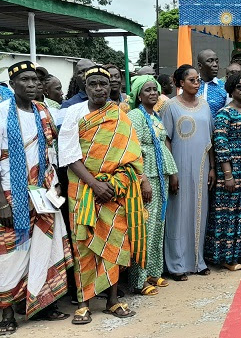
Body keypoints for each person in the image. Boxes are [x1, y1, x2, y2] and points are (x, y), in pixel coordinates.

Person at [58, 65, 148, 324]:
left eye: (103, 84)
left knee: (114, 242)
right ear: (84, 87)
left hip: (115, 190)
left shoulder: (120, 115)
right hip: (83, 188)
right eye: (93, 84)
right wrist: (95, 184)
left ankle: (113, 300)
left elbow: (132, 155)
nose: (99, 89)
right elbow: (68, 155)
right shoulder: (73, 113)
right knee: (83, 244)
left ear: (111, 87)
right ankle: (83, 303)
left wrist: (114, 184)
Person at [0, 61, 72, 334]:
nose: (32, 84)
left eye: (36, 80)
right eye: (25, 80)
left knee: (45, 246)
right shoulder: (2, 113)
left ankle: (43, 304)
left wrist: (55, 185)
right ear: (12, 85)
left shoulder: (43, 111)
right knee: (10, 256)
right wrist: (2, 204)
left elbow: (51, 151)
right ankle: (7, 313)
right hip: (11, 195)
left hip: (44, 192)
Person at [161, 65, 215, 281]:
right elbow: (166, 140)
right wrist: (171, 172)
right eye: (192, 80)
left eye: (198, 79)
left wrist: (213, 168)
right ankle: (176, 265)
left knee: (199, 212)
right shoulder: (170, 106)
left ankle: (197, 261)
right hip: (179, 166)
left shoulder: (205, 106)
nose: (196, 83)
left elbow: (210, 140)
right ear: (180, 83)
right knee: (178, 214)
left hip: (202, 166)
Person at [126, 75, 178, 296]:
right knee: (143, 228)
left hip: (160, 176)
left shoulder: (155, 116)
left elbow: (163, 145)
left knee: (157, 226)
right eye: (147, 90)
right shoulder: (135, 116)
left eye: (155, 89)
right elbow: (133, 149)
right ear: (139, 95)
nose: (153, 93)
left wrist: (172, 173)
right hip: (146, 177)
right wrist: (143, 179)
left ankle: (153, 273)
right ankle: (138, 280)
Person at [205, 74, 241, 271]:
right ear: (231, 89)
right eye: (239, 86)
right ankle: (227, 258)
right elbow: (220, 145)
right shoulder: (224, 114)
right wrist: (228, 175)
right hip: (232, 169)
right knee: (229, 212)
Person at [196, 49, 227, 117]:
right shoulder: (190, 86)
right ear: (200, 66)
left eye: (217, 61)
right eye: (210, 61)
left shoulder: (224, 87)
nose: (215, 65)